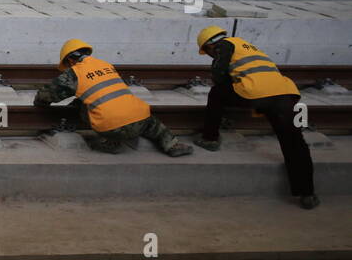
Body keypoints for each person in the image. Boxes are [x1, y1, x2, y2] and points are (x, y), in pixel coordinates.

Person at [193, 25, 317, 208]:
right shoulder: (247, 46)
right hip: (284, 94)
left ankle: (210, 138)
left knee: (216, 93)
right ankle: (307, 193)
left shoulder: (224, 45)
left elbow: (219, 73)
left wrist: (224, 82)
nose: (211, 54)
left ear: (209, 45)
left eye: (208, 52)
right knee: (294, 142)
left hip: (257, 94)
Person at [34, 38, 193, 157]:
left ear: (69, 59)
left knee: (84, 106)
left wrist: (39, 103)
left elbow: (47, 95)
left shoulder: (74, 72)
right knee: (151, 122)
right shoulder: (106, 64)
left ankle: (111, 142)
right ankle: (172, 145)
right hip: (140, 120)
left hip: (111, 127)